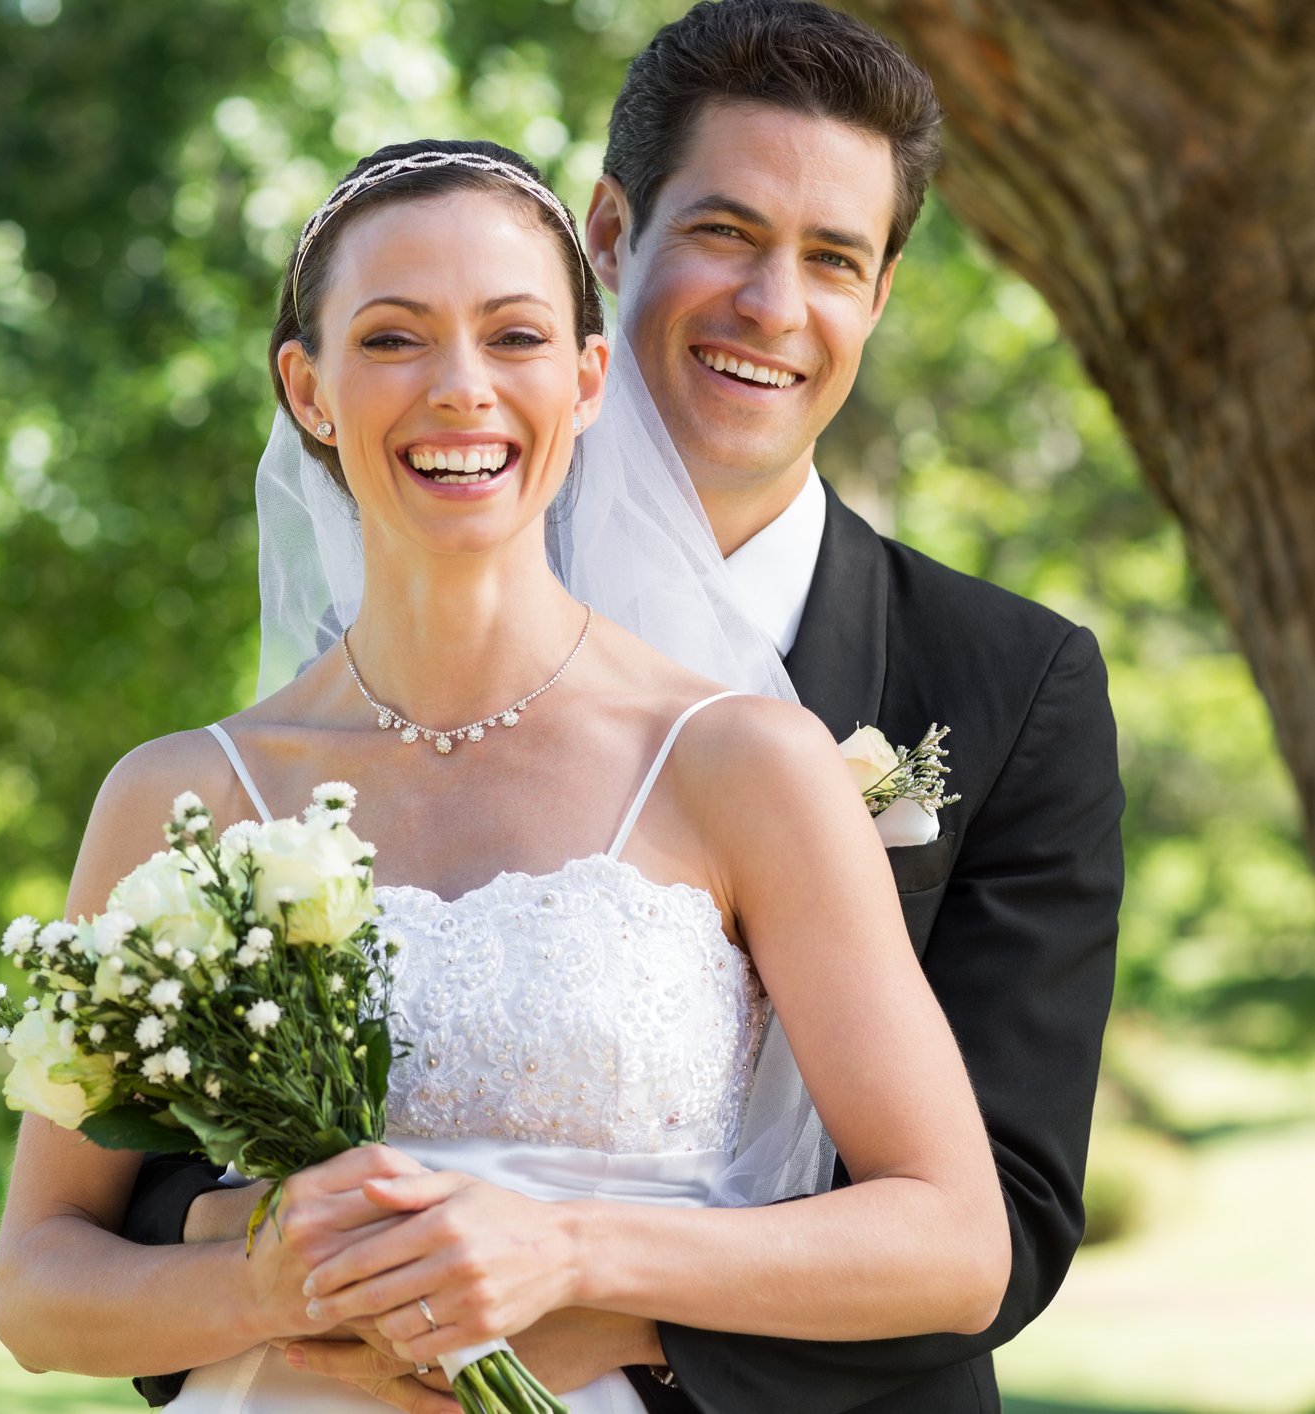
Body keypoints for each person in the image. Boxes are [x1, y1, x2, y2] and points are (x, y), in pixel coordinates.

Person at [120, 5, 1124, 1413]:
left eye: (831, 257)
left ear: (880, 295)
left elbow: (998, 1216)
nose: (771, 306)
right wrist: (297, 1280)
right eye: (723, 232)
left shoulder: (1009, 683)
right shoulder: (391, 608)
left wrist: (597, 1314)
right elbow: (178, 1129)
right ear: (607, 235)